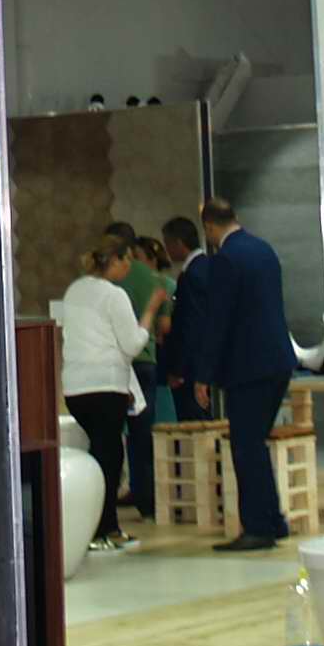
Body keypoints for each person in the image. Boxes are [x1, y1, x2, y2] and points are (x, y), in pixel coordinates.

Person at [181, 196, 298, 554]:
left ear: (209, 228)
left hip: (248, 366)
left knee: (246, 447)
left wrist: (203, 374)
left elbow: (219, 320)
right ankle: (273, 520)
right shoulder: (263, 250)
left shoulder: (226, 259)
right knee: (255, 443)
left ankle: (258, 528)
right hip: (277, 360)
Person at [54, 234, 151, 550]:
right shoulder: (114, 295)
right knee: (110, 458)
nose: (129, 267)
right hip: (105, 386)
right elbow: (132, 344)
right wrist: (148, 317)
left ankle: (97, 528)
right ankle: (104, 529)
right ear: (117, 260)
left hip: (76, 389)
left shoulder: (75, 290)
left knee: (100, 453)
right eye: (127, 261)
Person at [113, 219, 172, 520]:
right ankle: (148, 501)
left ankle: (115, 497)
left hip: (116, 363)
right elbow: (165, 326)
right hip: (146, 360)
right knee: (143, 433)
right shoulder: (155, 279)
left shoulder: (107, 280)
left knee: (113, 434)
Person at [158, 215, 214, 431]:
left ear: (178, 243)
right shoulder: (208, 267)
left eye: (167, 244)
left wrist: (178, 368)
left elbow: (190, 326)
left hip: (191, 367)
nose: (167, 250)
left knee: (194, 427)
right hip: (205, 361)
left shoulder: (192, 275)